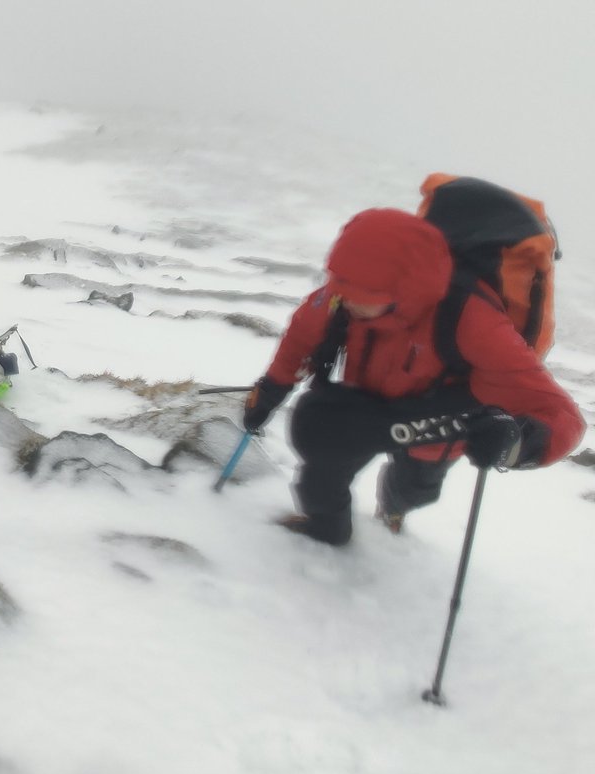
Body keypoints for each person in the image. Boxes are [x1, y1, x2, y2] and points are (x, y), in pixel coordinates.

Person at [242, 207, 584, 546]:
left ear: (406, 289)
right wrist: (272, 387)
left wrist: (514, 443)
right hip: (363, 406)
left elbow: (560, 414)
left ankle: (393, 510)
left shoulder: (473, 320)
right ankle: (325, 528)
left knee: (412, 489)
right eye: (342, 290)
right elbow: (302, 336)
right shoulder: (343, 293)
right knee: (319, 461)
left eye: (365, 299)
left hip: (433, 423)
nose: (347, 303)